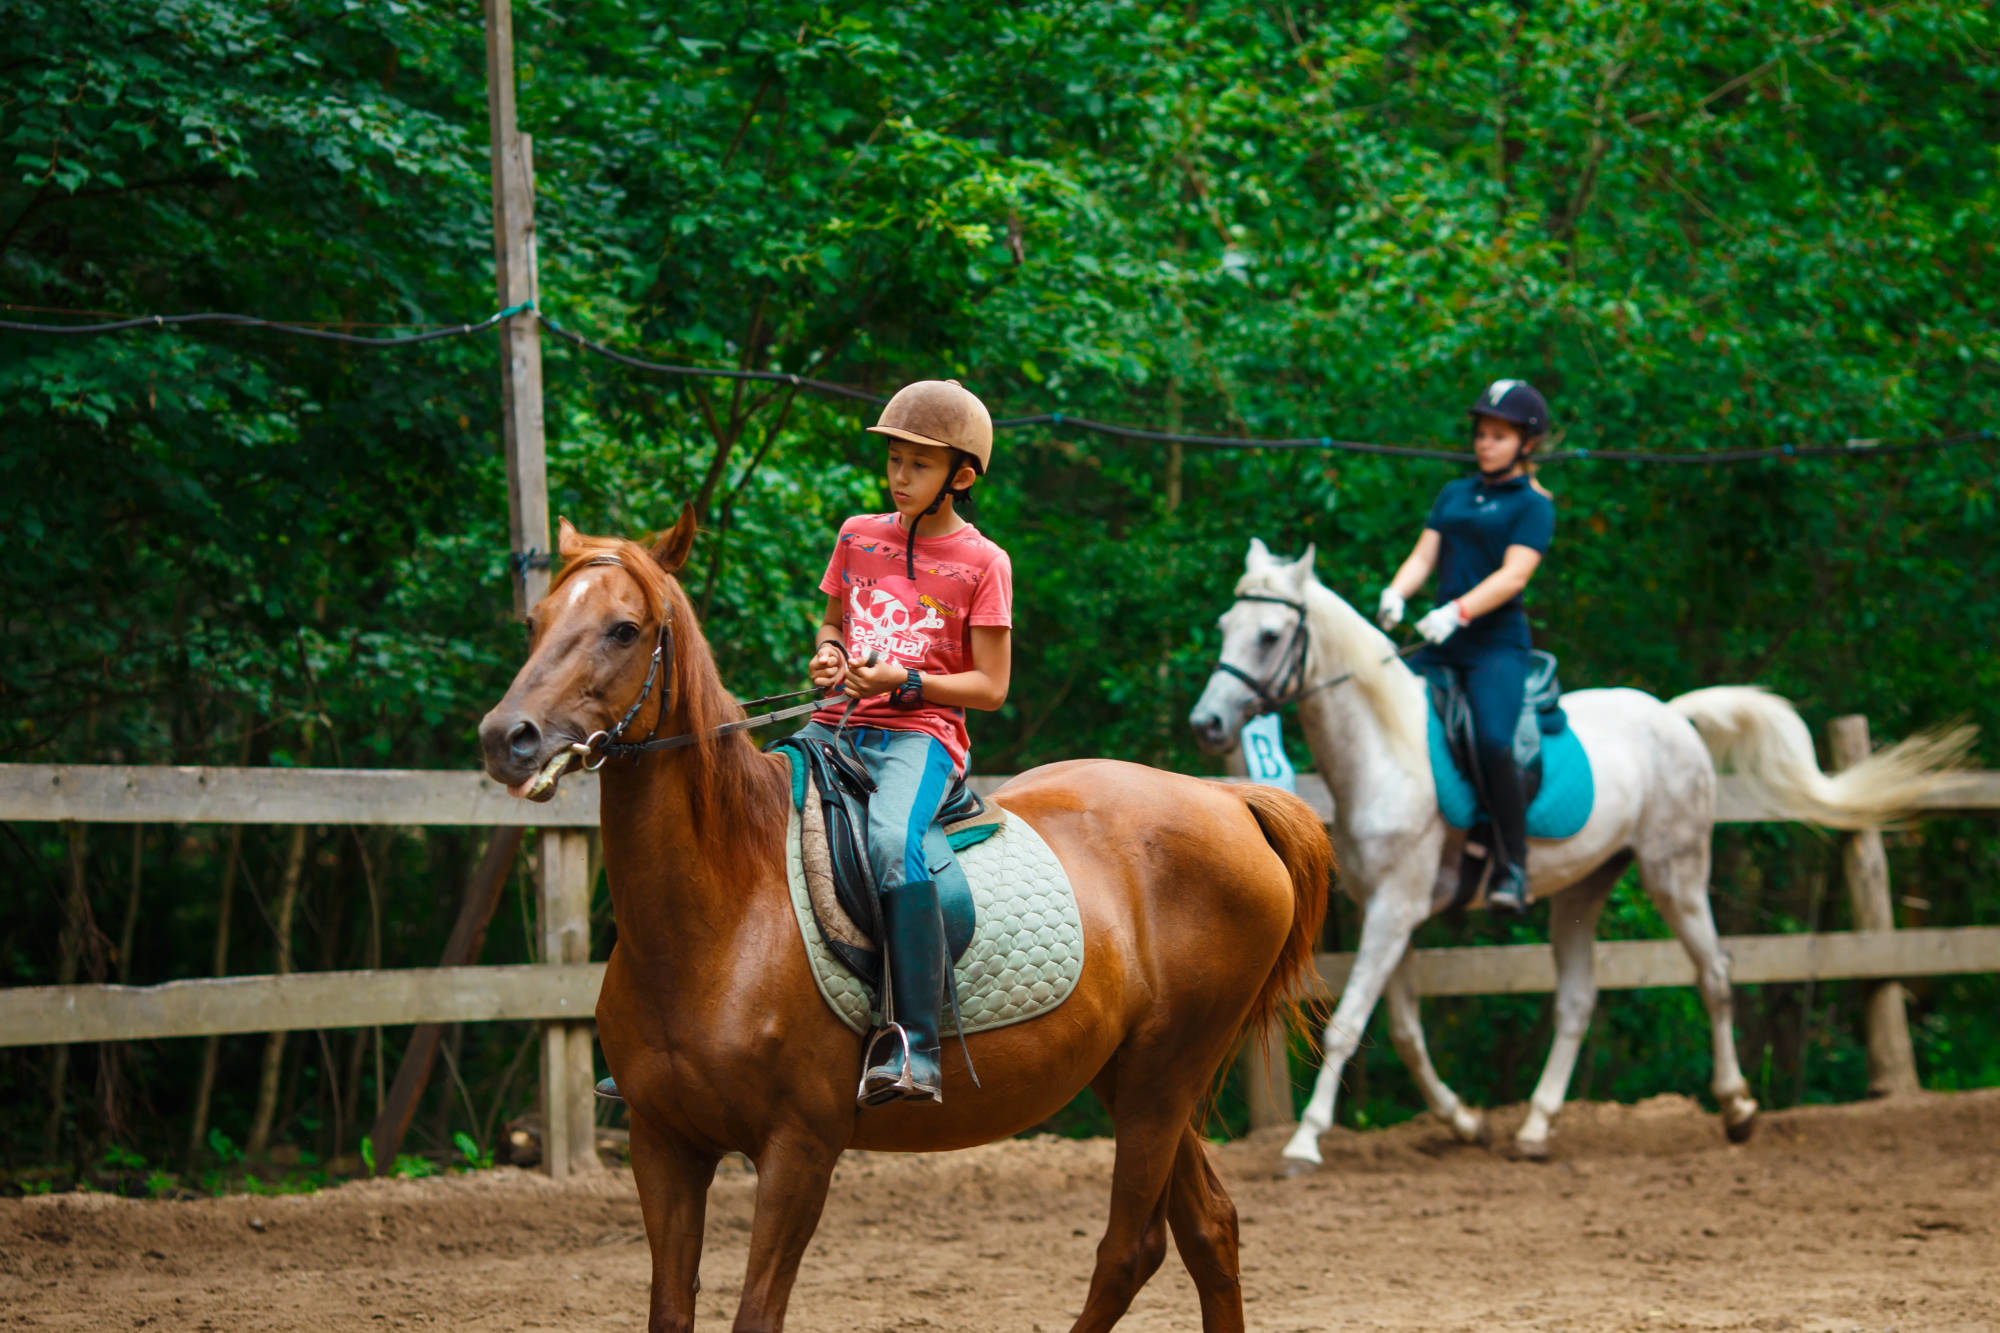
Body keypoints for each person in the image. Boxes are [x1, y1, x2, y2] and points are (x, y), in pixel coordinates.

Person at [795, 379, 1014, 1106]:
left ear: (962, 474)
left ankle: (915, 1044)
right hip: (836, 720)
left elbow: (989, 687)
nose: (897, 475)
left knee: (893, 840)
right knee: (747, 800)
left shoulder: (985, 563)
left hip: (922, 736)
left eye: (917, 464)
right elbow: (833, 623)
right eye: (893, 459)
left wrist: (907, 679)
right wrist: (828, 656)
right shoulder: (858, 534)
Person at [1375, 379, 1555, 914]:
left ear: (1526, 442)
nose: (1484, 443)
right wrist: (1396, 592)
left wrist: (1458, 611)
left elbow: (1513, 577)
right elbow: (1423, 557)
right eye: (1481, 433)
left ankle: (1513, 864)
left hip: (1493, 647)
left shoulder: (1533, 506)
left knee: (1495, 742)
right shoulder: (1453, 495)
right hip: (1438, 642)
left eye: (1498, 435)